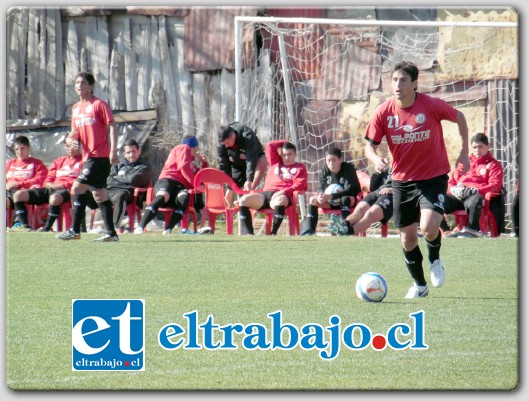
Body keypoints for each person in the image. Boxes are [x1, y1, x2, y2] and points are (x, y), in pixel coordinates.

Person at [364, 61, 469, 299]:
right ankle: (420, 285)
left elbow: (460, 116)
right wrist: (376, 159)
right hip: (401, 181)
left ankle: (435, 258)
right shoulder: (384, 112)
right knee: (408, 237)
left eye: (403, 80)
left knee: (428, 227)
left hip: (433, 177)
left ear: (414, 84)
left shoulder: (430, 105)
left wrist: (464, 152)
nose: (397, 85)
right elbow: (369, 146)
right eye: (394, 80)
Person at [56, 71, 120, 242]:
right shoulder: (76, 108)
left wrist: (114, 150)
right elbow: (74, 132)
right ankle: (111, 234)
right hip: (88, 158)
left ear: (91, 86)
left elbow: (112, 126)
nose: (79, 86)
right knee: (100, 195)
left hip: (99, 157)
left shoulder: (99, 105)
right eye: (77, 83)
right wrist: (70, 140)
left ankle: (75, 230)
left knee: (76, 189)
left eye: (83, 83)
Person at [9, 138, 82, 232]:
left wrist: (63, 185)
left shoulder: (83, 161)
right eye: (67, 146)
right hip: (51, 189)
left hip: (68, 190)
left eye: (73, 145)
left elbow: (82, 181)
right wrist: (49, 184)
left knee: (55, 198)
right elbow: (48, 179)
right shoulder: (59, 161)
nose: (70, 148)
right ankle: (24, 227)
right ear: (64, 146)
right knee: (19, 195)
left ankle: (46, 228)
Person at [238, 140, 308, 235]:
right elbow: (270, 146)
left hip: (283, 195)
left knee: (280, 201)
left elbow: (300, 184)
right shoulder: (275, 162)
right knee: (243, 200)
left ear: (295, 154)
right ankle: (250, 234)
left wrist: (283, 191)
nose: (286, 157)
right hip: (265, 194)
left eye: (289, 154)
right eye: (284, 154)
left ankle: (273, 233)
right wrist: (285, 142)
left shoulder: (300, 167)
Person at [134, 135, 199, 235]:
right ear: (194, 147)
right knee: (163, 195)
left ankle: (168, 229)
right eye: (197, 148)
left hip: (180, 187)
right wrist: (195, 185)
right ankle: (140, 227)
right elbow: (183, 167)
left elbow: (201, 175)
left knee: (183, 197)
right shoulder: (183, 147)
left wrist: (204, 163)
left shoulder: (191, 163)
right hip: (168, 180)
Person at [443, 133, 504, 238]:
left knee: (476, 200)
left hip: (475, 197)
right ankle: (445, 231)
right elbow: (451, 182)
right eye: (474, 147)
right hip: (458, 197)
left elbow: (495, 185)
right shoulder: (464, 163)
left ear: (488, 147)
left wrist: (475, 190)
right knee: (436, 199)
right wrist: (453, 189)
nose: (477, 150)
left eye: (480, 146)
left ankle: (471, 231)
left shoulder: (494, 165)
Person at [300, 146, 361, 235]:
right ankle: (308, 231)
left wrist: (332, 196)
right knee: (313, 200)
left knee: (345, 198)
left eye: (334, 160)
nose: (331, 163)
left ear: (340, 160)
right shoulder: (324, 169)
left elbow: (349, 190)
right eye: (328, 160)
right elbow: (321, 186)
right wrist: (321, 195)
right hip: (330, 202)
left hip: (348, 201)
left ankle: (344, 228)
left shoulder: (348, 169)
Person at [328, 166, 393, 236]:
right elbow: (372, 187)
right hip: (378, 192)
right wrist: (377, 172)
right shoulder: (387, 167)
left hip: (392, 196)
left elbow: (406, 189)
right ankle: (344, 224)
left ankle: (347, 231)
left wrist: (391, 190)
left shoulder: (404, 168)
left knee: (370, 214)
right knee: (359, 210)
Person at [217, 122, 268, 205]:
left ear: (233, 136)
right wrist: (230, 186)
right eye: (224, 144)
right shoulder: (222, 143)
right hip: (237, 163)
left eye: (227, 143)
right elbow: (224, 164)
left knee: (262, 161)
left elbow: (251, 159)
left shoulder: (247, 135)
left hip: (254, 160)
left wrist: (249, 180)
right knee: (235, 191)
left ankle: (249, 193)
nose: (226, 146)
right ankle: (240, 204)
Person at [107, 138, 152, 231]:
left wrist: (118, 177)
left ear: (139, 151)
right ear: (124, 154)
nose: (131, 155)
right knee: (92, 192)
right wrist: (123, 178)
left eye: (133, 151)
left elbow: (134, 180)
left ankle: (115, 227)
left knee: (121, 194)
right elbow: (108, 180)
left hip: (130, 194)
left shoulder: (144, 166)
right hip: (111, 191)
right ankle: (81, 228)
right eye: (128, 153)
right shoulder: (118, 165)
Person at [6, 135, 48, 229]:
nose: (19, 152)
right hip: (9, 193)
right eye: (16, 149)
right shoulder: (10, 164)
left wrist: (19, 184)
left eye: (22, 149)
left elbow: (40, 179)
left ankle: (20, 224)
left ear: (28, 149)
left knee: (18, 195)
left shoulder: (37, 163)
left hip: (26, 194)